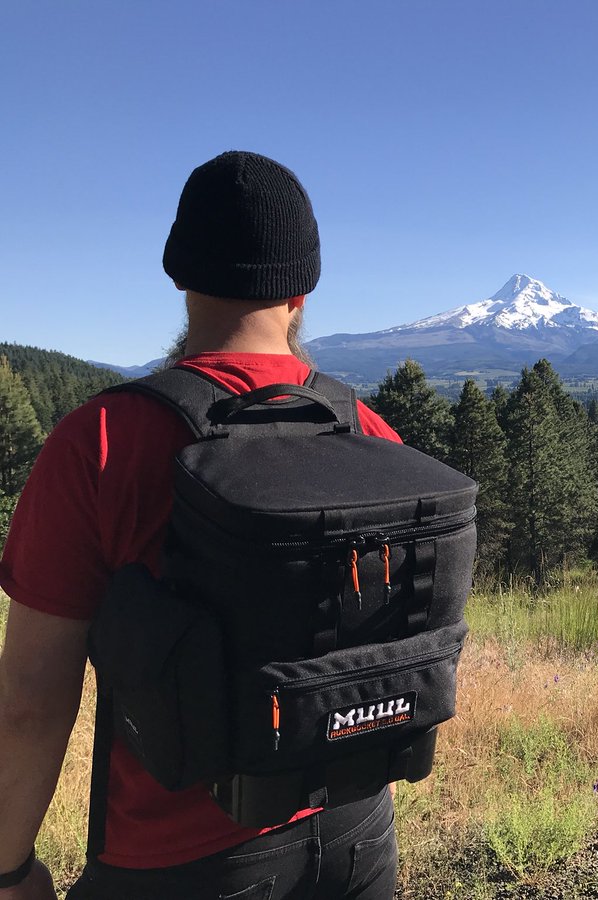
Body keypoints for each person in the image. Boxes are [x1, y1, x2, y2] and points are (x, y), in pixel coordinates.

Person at [0, 151, 403, 899]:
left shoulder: (101, 443)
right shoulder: (372, 435)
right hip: (357, 841)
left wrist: (9, 868)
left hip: (175, 866)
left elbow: (29, 699)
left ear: (179, 274)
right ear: (302, 291)